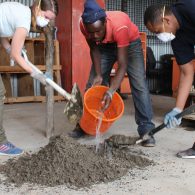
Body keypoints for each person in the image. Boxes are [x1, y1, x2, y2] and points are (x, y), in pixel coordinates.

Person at [69, 0, 155, 147]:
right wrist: (98, 74)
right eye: (92, 32)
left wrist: (111, 91)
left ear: (105, 23)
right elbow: (94, 49)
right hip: (104, 47)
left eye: (98, 31)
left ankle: (146, 129)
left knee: (139, 85)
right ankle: (83, 126)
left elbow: (123, 64)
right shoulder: (84, 25)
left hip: (131, 44)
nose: (95, 35)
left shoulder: (119, 25)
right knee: (92, 84)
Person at [0, 0, 58, 156]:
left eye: (49, 19)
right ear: (38, 8)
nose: (45, 22)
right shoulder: (24, 20)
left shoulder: (22, 13)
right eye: (46, 16)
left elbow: (2, 33)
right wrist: (37, 74)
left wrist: (8, 48)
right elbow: (17, 56)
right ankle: (0, 143)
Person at [144, 0, 195, 158]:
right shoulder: (177, 38)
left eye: (158, 31)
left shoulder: (190, 8)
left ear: (167, 20)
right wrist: (178, 109)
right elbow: (187, 72)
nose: (159, 36)